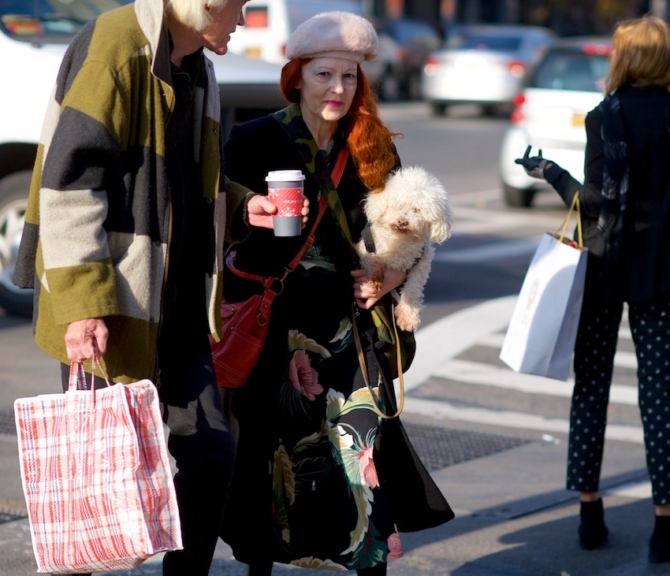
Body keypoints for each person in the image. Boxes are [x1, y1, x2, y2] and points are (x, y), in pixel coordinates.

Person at [10, 0, 284, 574]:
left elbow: (184, 181)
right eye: (238, 5)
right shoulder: (117, 43)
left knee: (210, 452)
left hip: (179, 299)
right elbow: (70, 181)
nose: (243, 17)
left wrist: (241, 205)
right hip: (113, 299)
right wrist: (85, 304)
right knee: (96, 462)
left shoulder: (197, 64)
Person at [219, 10, 453, 576]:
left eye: (349, 78)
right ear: (297, 75)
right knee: (271, 455)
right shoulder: (256, 138)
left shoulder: (372, 148)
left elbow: (417, 229)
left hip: (347, 330)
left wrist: (394, 276)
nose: (338, 89)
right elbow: (212, 209)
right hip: (273, 328)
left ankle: (368, 564)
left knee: (360, 454)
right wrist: (245, 207)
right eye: (325, 75)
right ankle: (260, 565)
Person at [515, 15, 670, 564]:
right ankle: (664, 522)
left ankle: (589, 512)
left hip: (606, 268)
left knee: (593, 387)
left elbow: (599, 203)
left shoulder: (608, 117)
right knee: (661, 396)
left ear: (623, 58)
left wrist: (549, 171)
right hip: (661, 273)